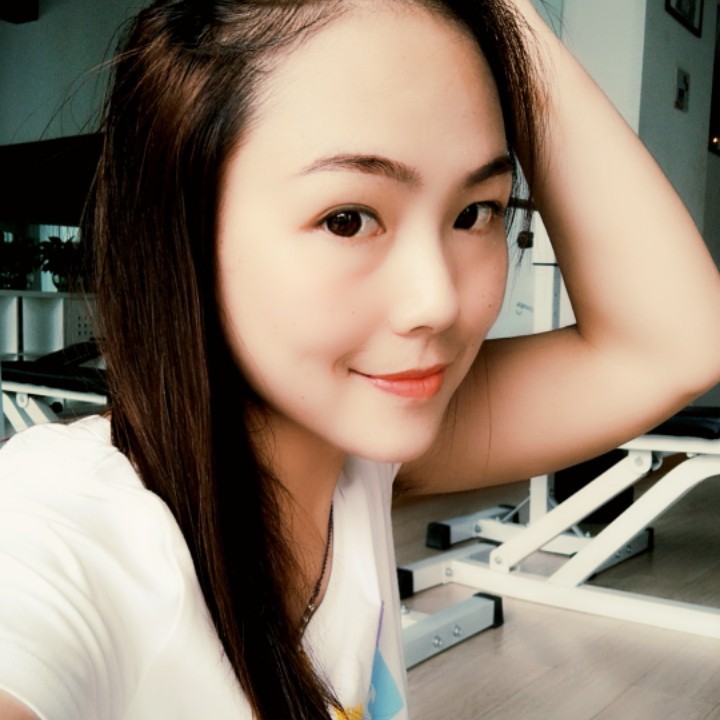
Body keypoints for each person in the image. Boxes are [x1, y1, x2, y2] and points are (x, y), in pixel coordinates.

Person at [1, 0, 719, 718]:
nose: (437, 301)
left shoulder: (360, 466)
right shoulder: (68, 530)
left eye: (475, 212)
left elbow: (678, 343)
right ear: (179, 228)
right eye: (347, 219)